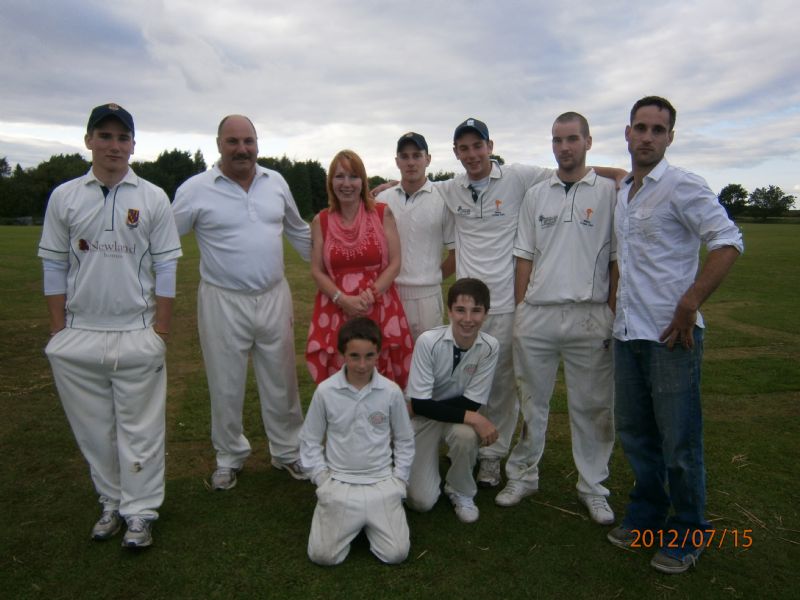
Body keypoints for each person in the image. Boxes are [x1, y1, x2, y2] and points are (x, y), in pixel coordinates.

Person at [438, 118, 626, 488]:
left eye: (478, 146)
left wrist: (617, 172)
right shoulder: (450, 188)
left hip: (505, 303)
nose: (472, 154)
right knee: (461, 377)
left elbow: (570, 168)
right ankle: (463, 447)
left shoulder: (519, 176)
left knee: (505, 385)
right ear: (456, 153)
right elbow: (419, 188)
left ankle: (493, 457)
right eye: (464, 148)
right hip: (465, 305)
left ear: (490, 146)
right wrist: (391, 185)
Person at [606, 96, 742, 574]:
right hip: (627, 334)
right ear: (627, 133)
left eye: (657, 130)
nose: (646, 137)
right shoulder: (625, 191)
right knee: (637, 435)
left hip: (671, 337)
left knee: (679, 442)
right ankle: (647, 516)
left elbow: (728, 242)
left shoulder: (683, 186)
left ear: (669, 137)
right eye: (639, 128)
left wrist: (690, 304)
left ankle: (689, 530)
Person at [39, 103, 182, 548]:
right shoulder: (65, 196)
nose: (114, 146)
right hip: (80, 333)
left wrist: (160, 330)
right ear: (89, 141)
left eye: (122, 138)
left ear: (133, 145)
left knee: (140, 429)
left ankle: (140, 513)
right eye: (105, 136)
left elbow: (166, 268)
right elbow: (54, 265)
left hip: (136, 330)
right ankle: (111, 502)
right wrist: (59, 329)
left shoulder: (152, 197)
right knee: (95, 429)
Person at [172, 115, 310, 491]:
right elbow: (165, 239)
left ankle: (288, 451)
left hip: (273, 296)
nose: (242, 149)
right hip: (222, 300)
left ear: (257, 144)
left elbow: (299, 231)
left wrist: (341, 268)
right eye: (233, 141)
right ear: (219, 144)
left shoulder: (275, 182)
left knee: (282, 379)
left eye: (248, 141)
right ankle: (229, 457)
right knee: (225, 382)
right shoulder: (195, 189)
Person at [496, 112, 617, 525]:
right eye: (557, 140)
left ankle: (593, 487)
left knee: (593, 405)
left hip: (590, 315)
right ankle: (523, 475)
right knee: (532, 402)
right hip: (539, 315)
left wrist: (612, 311)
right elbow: (524, 257)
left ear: (587, 141)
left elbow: (617, 259)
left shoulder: (607, 192)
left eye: (571, 139)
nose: (564, 147)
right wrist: (520, 312)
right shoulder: (537, 194)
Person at [300, 317, 415, 565]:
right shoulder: (326, 391)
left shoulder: (391, 391)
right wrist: (322, 480)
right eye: (354, 356)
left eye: (369, 356)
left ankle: (371, 522)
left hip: (382, 482)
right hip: (340, 483)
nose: (362, 365)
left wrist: (399, 480)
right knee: (322, 556)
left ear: (378, 354)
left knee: (396, 554)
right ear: (342, 354)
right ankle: (346, 519)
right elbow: (309, 441)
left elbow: (405, 440)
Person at [306, 149, 413, 388]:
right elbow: (316, 270)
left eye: (353, 176)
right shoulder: (320, 221)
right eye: (339, 176)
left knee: (384, 378)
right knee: (341, 377)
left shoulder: (382, 213)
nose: (346, 184)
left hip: (380, 306)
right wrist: (341, 298)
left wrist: (370, 296)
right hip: (335, 308)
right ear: (330, 181)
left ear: (362, 181)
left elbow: (395, 263)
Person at [405, 278, 499, 523]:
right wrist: (474, 418)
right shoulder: (428, 341)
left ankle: (460, 489)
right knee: (420, 502)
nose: (468, 319)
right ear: (449, 311)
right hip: (424, 419)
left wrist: (469, 414)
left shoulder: (490, 347)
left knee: (466, 434)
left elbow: (471, 402)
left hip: (432, 412)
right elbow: (421, 404)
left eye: (476, 311)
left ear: (486, 313)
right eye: (460, 310)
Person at [376, 132, 455, 340]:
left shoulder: (443, 198)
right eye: (404, 156)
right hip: (389, 294)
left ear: (428, 159)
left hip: (427, 298)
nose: (411, 162)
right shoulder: (383, 200)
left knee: (427, 365)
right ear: (397, 161)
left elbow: (456, 254)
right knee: (391, 363)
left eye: (417, 155)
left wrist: (429, 277)